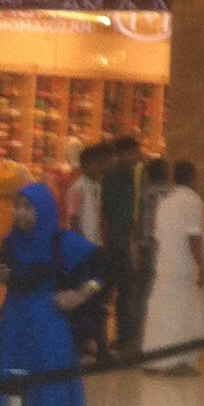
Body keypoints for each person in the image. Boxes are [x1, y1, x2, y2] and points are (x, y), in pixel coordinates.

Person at [0, 181, 102, 406]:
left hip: (48, 330)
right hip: (14, 330)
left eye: (27, 206)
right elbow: (0, 272)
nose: (20, 212)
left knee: (46, 400)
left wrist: (81, 293)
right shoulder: (10, 243)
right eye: (17, 205)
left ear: (44, 209)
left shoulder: (60, 242)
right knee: (15, 400)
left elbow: (105, 267)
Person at [143, 161, 204, 372]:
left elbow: (157, 237)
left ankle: (154, 359)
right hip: (183, 267)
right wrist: (202, 267)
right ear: (193, 178)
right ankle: (177, 361)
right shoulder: (192, 200)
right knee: (183, 313)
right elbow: (194, 237)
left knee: (161, 311)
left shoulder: (166, 201)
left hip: (164, 264)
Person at [91, 135, 141, 360]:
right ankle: (108, 340)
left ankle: (122, 338)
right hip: (114, 243)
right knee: (112, 292)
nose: (137, 156)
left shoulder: (127, 176)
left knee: (124, 290)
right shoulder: (114, 177)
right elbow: (106, 213)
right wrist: (106, 243)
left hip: (122, 241)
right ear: (123, 154)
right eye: (134, 152)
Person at [121, 156, 169, 358]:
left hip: (149, 250)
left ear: (148, 174)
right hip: (166, 252)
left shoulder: (146, 195)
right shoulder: (171, 194)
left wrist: (139, 248)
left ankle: (139, 342)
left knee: (141, 297)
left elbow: (144, 224)